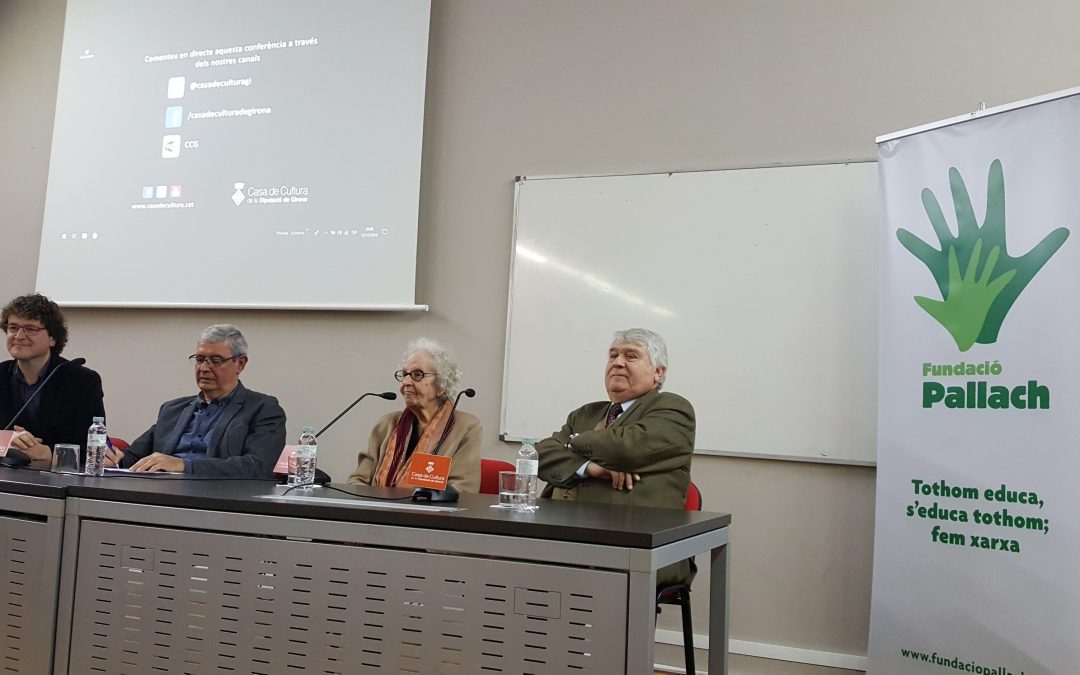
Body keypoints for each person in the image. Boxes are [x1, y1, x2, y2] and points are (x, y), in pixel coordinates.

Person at [537, 328, 695, 585]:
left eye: (631, 356)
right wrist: (591, 468)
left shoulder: (672, 408)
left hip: (635, 546)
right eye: (613, 356)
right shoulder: (585, 414)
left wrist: (574, 442)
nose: (617, 363)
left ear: (658, 372)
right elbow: (541, 455)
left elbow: (627, 448)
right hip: (563, 536)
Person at [114, 324, 286, 478]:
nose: (204, 368)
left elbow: (258, 466)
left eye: (216, 361)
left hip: (217, 500)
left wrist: (184, 465)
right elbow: (134, 457)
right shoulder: (172, 409)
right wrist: (114, 460)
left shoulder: (263, 409)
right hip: (162, 494)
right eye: (200, 359)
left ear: (240, 364)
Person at [347, 338, 481, 492]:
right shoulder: (386, 424)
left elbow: (463, 490)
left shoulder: (465, 427)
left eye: (417, 375)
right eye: (404, 374)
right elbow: (357, 480)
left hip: (429, 515)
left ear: (442, 385)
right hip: (377, 513)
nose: (406, 382)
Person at [0, 293, 106, 461]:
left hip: (58, 480)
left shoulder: (81, 381)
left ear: (52, 338)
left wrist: (47, 452)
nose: (19, 336)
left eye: (30, 329)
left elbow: (94, 448)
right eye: (13, 327)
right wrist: (5, 440)